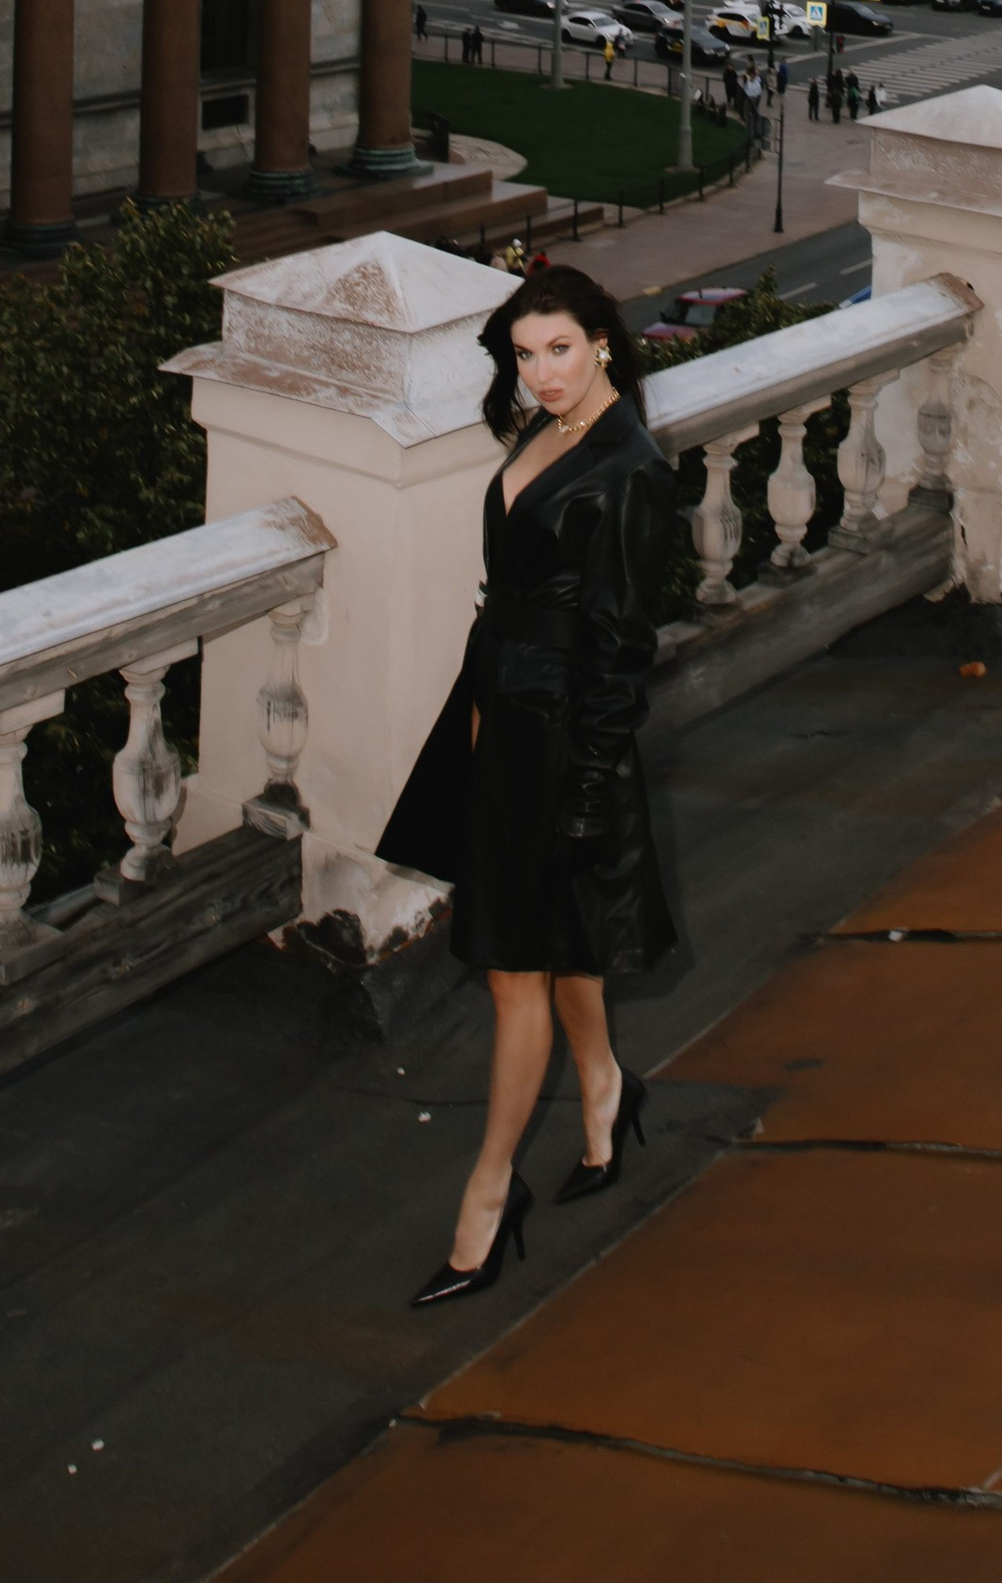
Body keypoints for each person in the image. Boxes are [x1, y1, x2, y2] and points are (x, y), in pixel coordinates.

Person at [380, 265, 679, 1308]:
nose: (541, 373)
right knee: (558, 940)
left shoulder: (630, 467)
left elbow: (623, 648)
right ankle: (604, 1087)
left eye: (560, 349)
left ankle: (486, 1195)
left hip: (557, 745)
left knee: (516, 969)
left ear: (603, 340)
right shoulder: (544, 434)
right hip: (496, 719)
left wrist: (587, 791)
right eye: (523, 353)